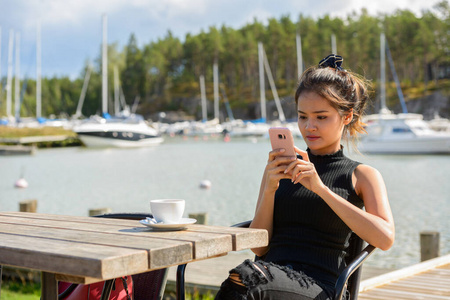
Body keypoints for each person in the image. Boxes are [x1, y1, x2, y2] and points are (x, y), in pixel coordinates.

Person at [215, 54, 395, 300]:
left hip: (321, 286)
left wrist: (320, 188)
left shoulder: (362, 175)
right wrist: (269, 188)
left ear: (346, 116)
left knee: (246, 279)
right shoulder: (282, 167)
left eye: (321, 117)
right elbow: (259, 247)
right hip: (268, 274)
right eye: (302, 116)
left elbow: (385, 239)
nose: (309, 126)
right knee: (245, 280)